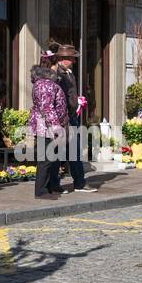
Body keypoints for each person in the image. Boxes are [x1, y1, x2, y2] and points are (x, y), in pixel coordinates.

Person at [53, 44, 95, 193]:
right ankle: (55, 183)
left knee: (74, 151)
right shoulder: (56, 73)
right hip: (62, 118)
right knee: (59, 153)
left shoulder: (69, 73)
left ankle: (79, 182)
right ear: (64, 59)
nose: (74, 61)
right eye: (72, 58)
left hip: (71, 117)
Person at [30, 47, 68, 199]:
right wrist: (57, 127)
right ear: (51, 65)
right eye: (56, 63)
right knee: (45, 159)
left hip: (48, 126)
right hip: (45, 127)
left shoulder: (47, 82)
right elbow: (47, 107)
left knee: (52, 158)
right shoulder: (45, 83)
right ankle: (41, 191)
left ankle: (51, 185)